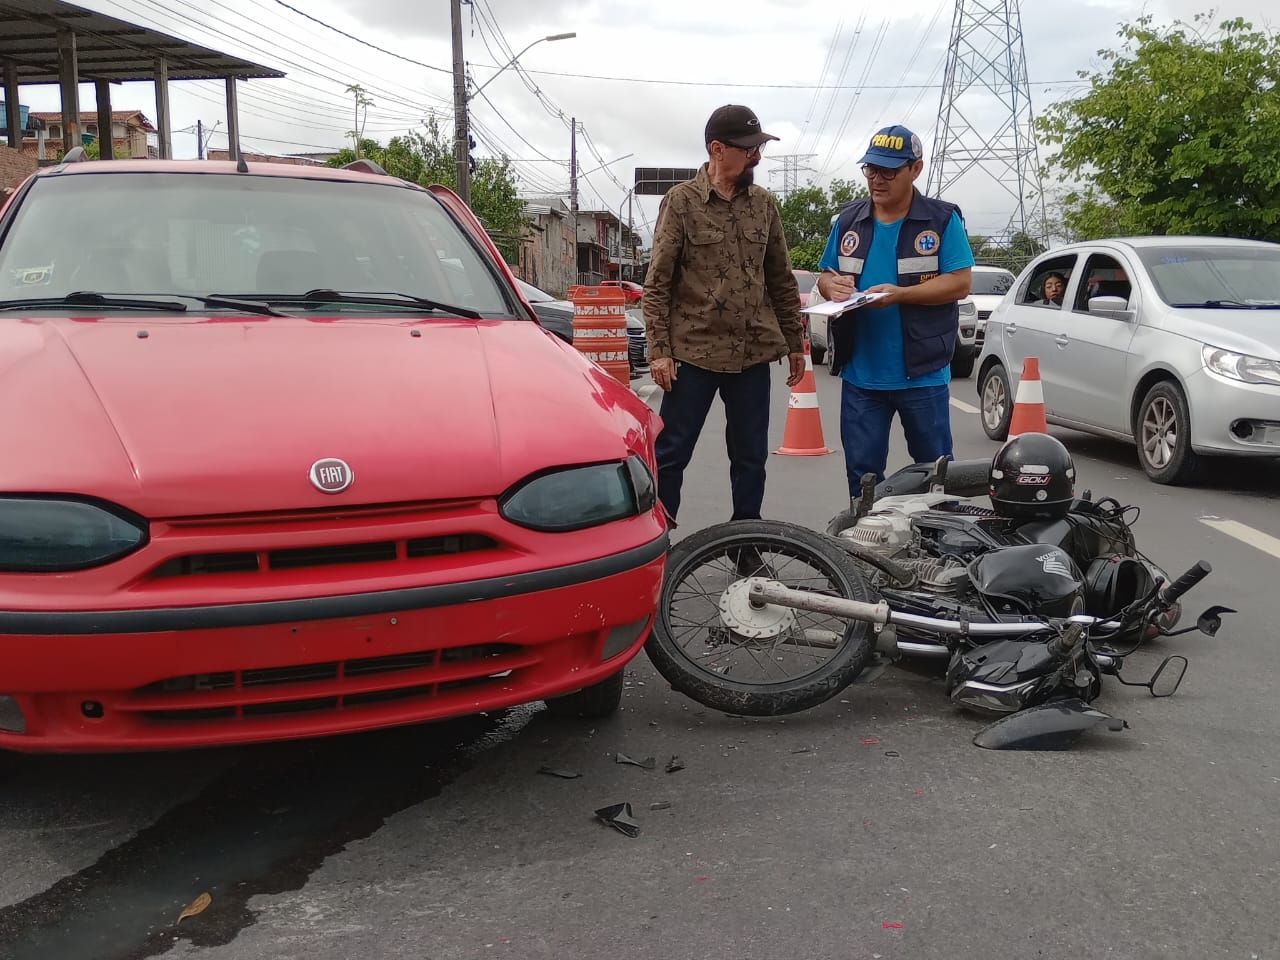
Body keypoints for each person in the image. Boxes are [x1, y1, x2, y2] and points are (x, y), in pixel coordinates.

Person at [643, 104, 806, 528]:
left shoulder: (764, 205)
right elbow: (657, 283)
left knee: (750, 458)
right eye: (749, 148)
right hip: (693, 355)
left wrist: (795, 343)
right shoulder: (681, 203)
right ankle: (660, 546)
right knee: (672, 454)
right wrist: (659, 351)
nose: (757, 157)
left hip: (751, 355)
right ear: (717, 149)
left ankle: (745, 544)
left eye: (758, 148)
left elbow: (780, 278)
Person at [815, 124, 974, 495]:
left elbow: (960, 283)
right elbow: (826, 275)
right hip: (861, 375)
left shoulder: (942, 219)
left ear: (915, 170)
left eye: (888, 171)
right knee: (863, 478)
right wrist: (830, 285)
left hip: (922, 374)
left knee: (935, 475)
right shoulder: (848, 221)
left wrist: (900, 294)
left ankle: (935, 549)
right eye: (871, 170)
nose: (877, 180)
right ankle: (862, 548)